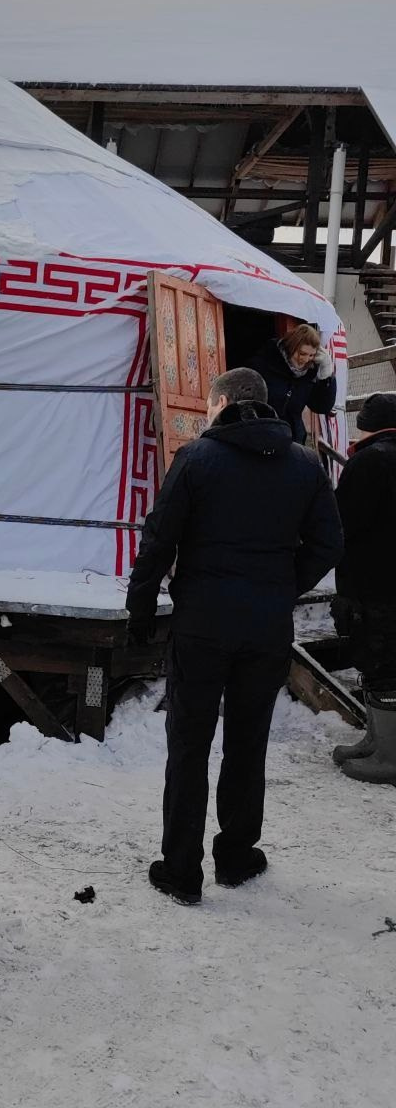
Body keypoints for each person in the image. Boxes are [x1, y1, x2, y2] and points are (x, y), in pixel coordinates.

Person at [126, 368, 343, 905]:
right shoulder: (304, 462)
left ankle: (181, 871)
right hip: (266, 626)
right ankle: (238, 857)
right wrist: (283, 586)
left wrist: (140, 608)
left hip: (202, 621)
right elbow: (329, 542)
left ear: (220, 403)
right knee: (248, 742)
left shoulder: (197, 459)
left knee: (189, 744)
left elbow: (159, 539)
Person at [330, 392, 396, 784]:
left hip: (375, 579)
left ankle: (388, 755)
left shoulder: (370, 462)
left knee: (382, 664)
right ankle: (376, 741)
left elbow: (345, 522)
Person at [248, 323, 337, 445]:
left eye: (311, 355)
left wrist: (327, 374)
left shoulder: (309, 373)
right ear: (291, 346)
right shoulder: (264, 364)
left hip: (293, 442)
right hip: (263, 438)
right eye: (302, 353)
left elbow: (322, 407)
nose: (305, 360)